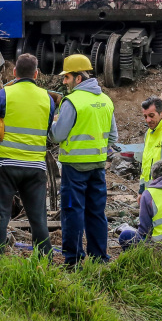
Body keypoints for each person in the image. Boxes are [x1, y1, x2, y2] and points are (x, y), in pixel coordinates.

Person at [0, 53, 56, 257]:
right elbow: (47, 129)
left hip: (5, 165)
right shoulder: (47, 99)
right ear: (36, 74)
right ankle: (44, 259)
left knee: (0, 215)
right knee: (38, 217)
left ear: (14, 72)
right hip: (35, 168)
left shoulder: (5, 94)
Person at [49, 54, 119, 267]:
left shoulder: (72, 102)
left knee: (72, 212)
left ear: (78, 78)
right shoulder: (106, 100)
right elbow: (113, 137)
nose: (64, 82)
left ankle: (73, 260)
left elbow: (57, 136)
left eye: (67, 77)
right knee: (96, 213)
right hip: (98, 168)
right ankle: (100, 258)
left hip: (74, 169)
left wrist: (52, 125)